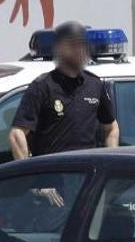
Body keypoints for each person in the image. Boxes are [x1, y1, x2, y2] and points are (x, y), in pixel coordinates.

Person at [9, 21, 119, 160]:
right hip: (52, 174)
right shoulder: (42, 86)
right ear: (60, 48)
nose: (79, 51)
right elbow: (17, 133)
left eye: (82, 46)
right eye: (73, 46)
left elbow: (111, 128)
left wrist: (109, 160)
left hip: (88, 175)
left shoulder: (95, 85)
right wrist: (26, 174)